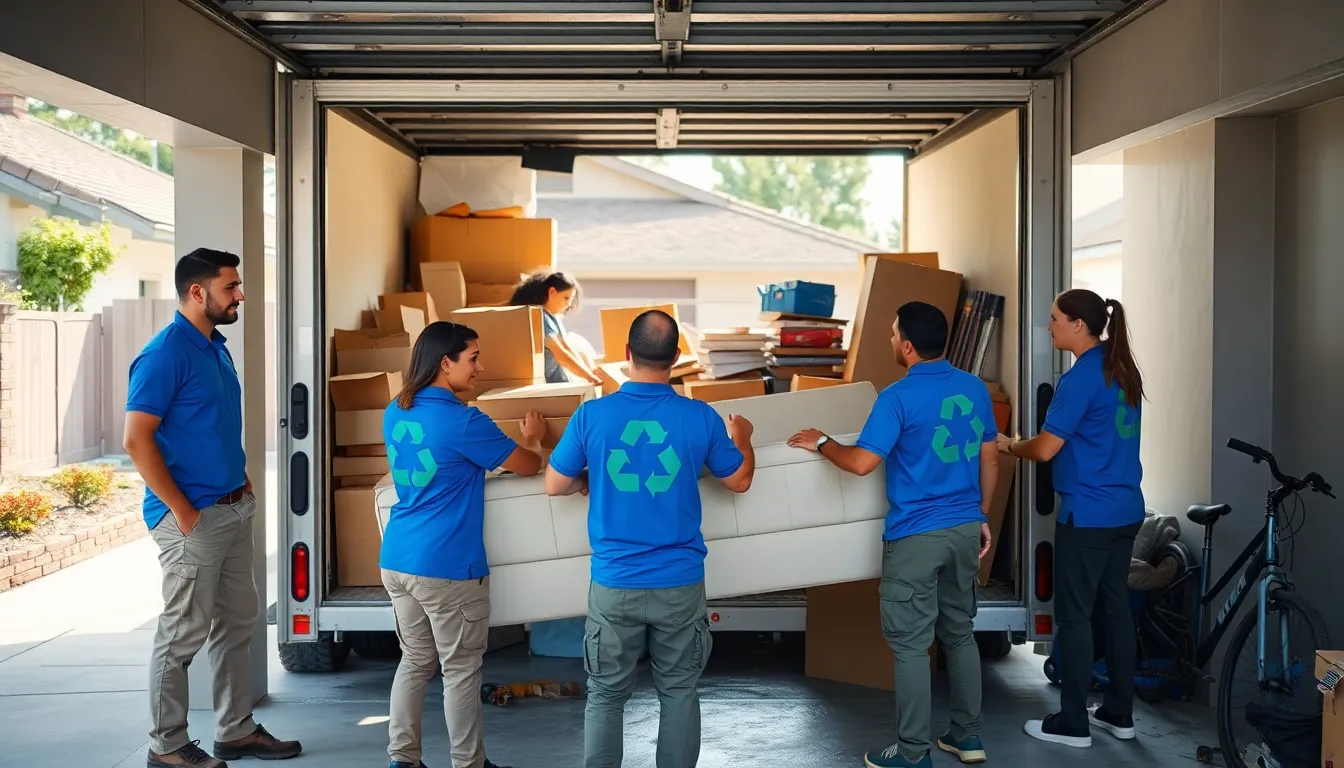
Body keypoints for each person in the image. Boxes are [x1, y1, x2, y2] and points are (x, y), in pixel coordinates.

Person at [787, 301, 997, 768]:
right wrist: (979, 515)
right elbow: (991, 459)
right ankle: (969, 738)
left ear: (907, 345)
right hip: (964, 528)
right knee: (960, 634)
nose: (888, 339)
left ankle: (912, 751)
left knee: (910, 646)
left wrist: (821, 442)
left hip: (916, 536)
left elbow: (862, 463)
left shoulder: (898, 398)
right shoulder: (974, 389)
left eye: (892, 332)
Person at [544, 310, 756, 768]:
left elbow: (554, 484)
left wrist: (588, 471)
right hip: (679, 582)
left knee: (605, 694)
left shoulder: (591, 416)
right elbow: (738, 480)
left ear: (626, 355)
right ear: (677, 357)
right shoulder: (700, 417)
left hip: (615, 581)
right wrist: (744, 438)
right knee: (679, 691)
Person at [124, 248, 302, 767]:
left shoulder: (214, 347)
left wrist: (240, 478)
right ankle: (167, 746)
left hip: (231, 508)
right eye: (232, 286)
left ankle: (236, 728)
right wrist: (181, 510)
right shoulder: (165, 354)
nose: (240, 295)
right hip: (192, 520)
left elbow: (214, 423)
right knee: (181, 636)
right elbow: (137, 440)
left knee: (238, 623)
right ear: (197, 292)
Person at [379, 320, 549, 768]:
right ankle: (469, 764)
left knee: (415, 662)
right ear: (445, 362)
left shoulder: (395, 409)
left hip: (398, 556)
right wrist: (532, 438)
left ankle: (403, 759)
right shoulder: (464, 421)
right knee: (459, 671)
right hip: (447, 564)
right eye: (472, 357)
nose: (480, 367)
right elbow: (527, 466)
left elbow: (445, 467)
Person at [1000, 289, 1145, 749]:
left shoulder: (1080, 378)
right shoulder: (1122, 369)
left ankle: (1072, 722)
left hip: (1088, 514)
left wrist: (1010, 445)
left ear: (1078, 325)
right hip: (1125, 510)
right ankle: (1120, 713)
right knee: (1116, 610)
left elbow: (1045, 448)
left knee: (1076, 617)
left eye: (1055, 318)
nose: (1050, 326)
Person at [508, 270, 602, 385]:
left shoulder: (553, 317)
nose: (569, 304)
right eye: (566, 298)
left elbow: (567, 347)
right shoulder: (540, 318)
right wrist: (590, 377)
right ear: (552, 292)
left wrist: (590, 372)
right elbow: (561, 354)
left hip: (560, 380)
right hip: (550, 385)